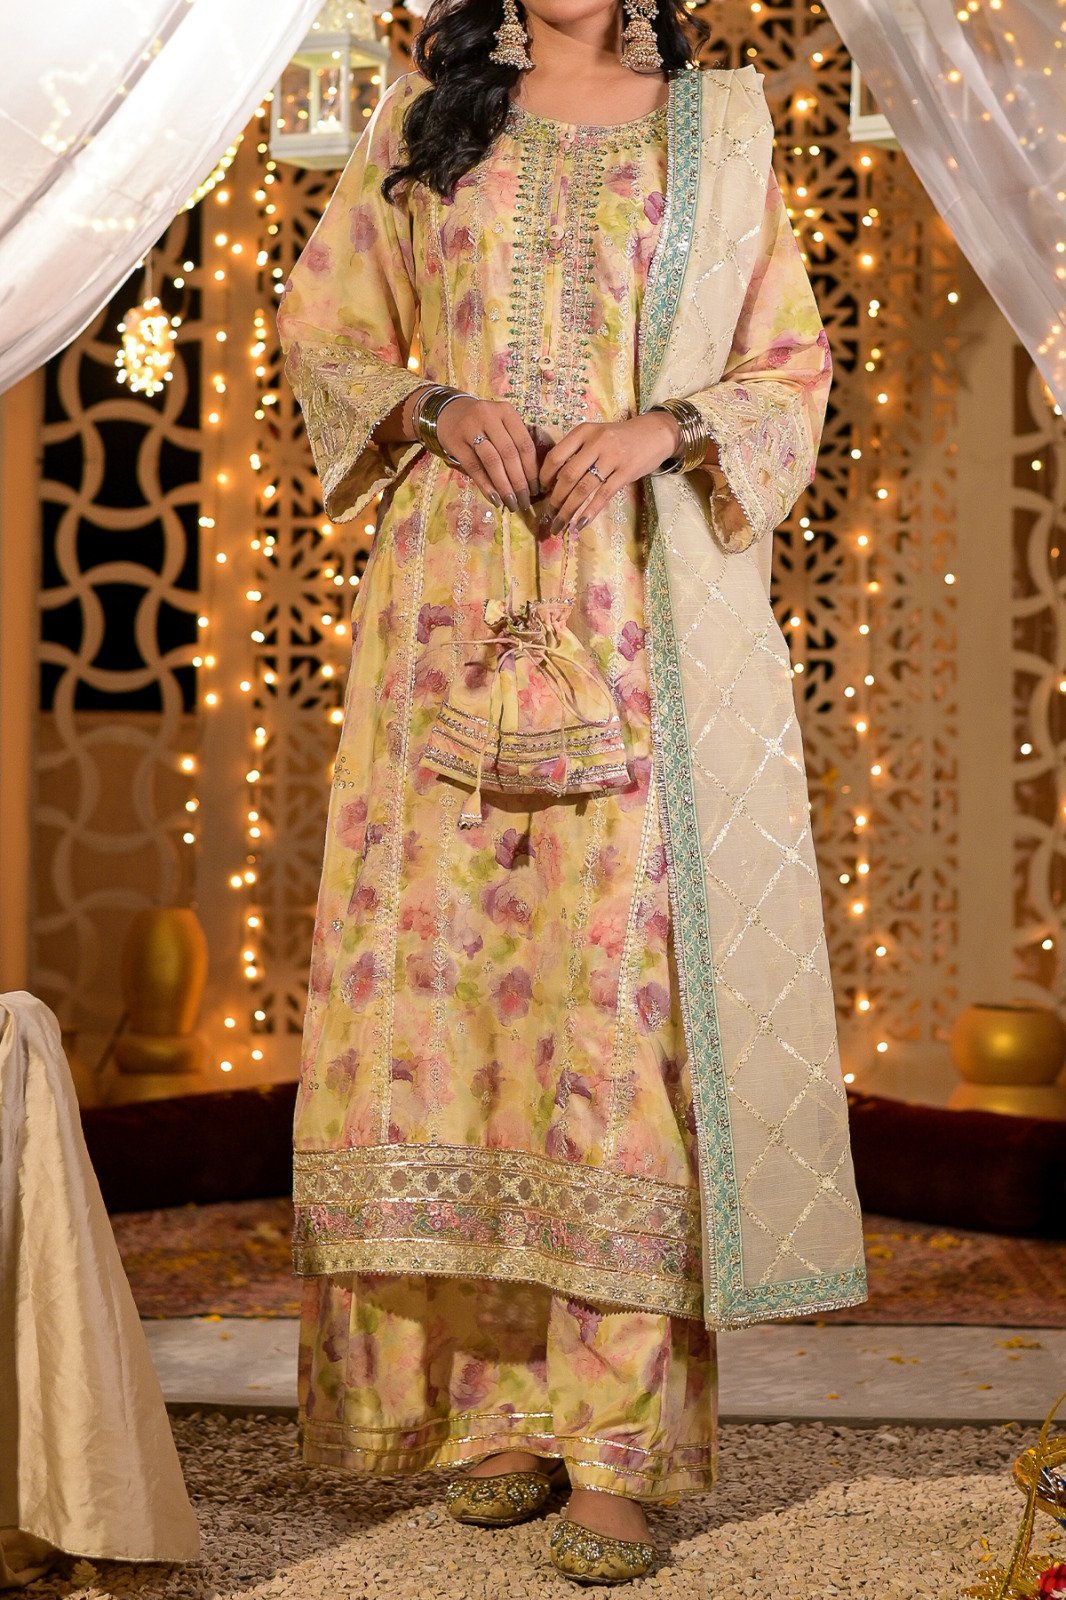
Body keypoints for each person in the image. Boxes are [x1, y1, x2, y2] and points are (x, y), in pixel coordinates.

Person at [277, 0, 868, 1582]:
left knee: (609, 1004)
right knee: (447, 998)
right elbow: (326, 334)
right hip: (446, 601)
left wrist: (664, 426)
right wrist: (429, 404)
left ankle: (615, 1441)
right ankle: (492, 1415)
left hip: (633, 602)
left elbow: (789, 364)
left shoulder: (714, 127)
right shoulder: (424, 114)